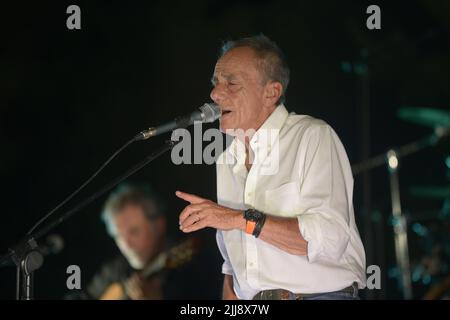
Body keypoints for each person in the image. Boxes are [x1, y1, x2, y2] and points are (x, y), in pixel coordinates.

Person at [176, 34, 366, 300]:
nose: (215, 94)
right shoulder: (226, 161)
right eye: (215, 83)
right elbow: (234, 268)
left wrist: (237, 219)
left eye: (231, 83)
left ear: (271, 92)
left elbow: (331, 240)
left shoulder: (312, 135)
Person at [84, 184, 203, 300]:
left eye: (134, 232)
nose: (126, 245)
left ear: (159, 224)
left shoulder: (192, 272)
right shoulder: (116, 270)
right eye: (119, 236)